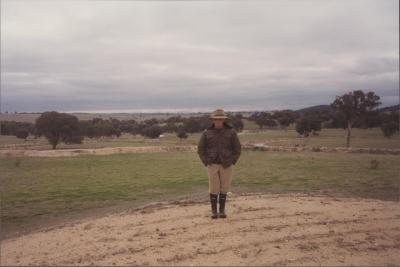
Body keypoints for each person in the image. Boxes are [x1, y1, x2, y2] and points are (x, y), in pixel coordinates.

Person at [197, 109, 241, 219]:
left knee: (224, 188)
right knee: (213, 188)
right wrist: (206, 161)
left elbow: (237, 148)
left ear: (224, 120)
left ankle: (222, 211)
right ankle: (214, 211)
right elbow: (200, 149)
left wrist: (232, 160)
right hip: (212, 164)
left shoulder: (231, 132)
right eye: (216, 119)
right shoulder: (207, 132)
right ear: (213, 120)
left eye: (220, 119)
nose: (218, 121)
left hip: (226, 164)